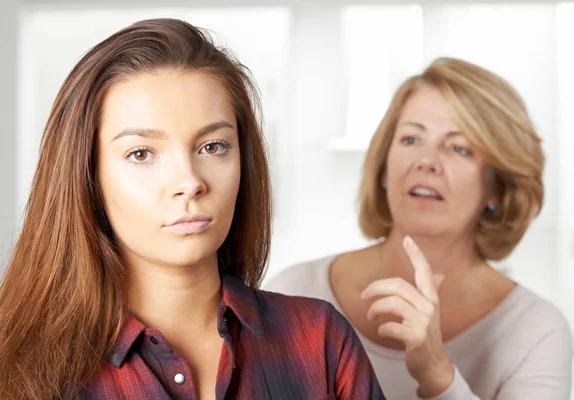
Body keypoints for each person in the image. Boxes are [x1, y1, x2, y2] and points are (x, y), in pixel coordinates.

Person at [0, 18, 384, 400]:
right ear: (87, 176)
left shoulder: (320, 341)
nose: (189, 181)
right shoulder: (22, 370)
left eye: (212, 146)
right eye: (141, 154)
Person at [264, 57, 573, 399]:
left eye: (459, 147)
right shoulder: (294, 294)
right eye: (411, 140)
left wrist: (438, 375)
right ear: (384, 168)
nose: (427, 161)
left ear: (496, 190)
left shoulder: (537, 332)